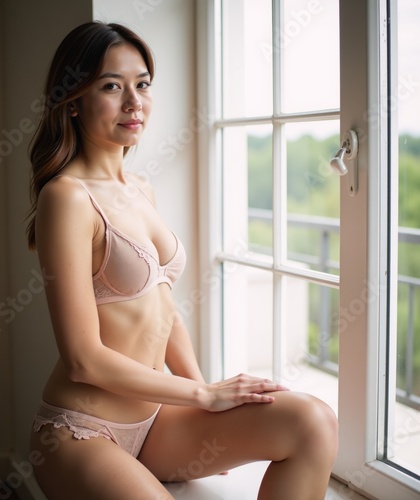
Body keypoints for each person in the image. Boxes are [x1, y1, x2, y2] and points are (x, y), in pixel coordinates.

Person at [27, 21, 338, 500]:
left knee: (312, 421)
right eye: (112, 86)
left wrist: (206, 396)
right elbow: (83, 360)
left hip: (157, 423)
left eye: (143, 84)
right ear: (73, 101)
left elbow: (163, 311)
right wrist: (203, 395)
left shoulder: (140, 188)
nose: (134, 102)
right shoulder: (66, 198)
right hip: (84, 433)